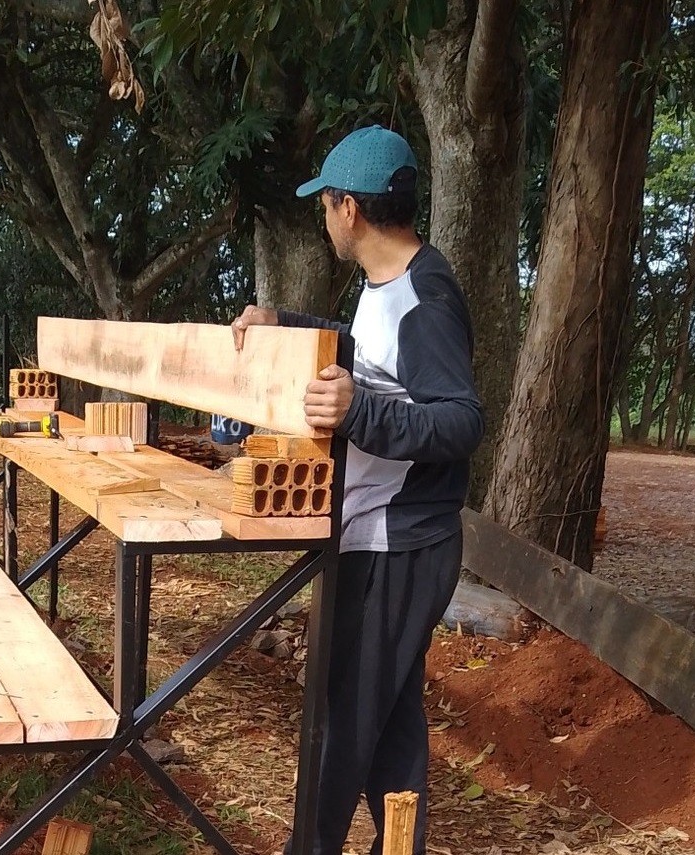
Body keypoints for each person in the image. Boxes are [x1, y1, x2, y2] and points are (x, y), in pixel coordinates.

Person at [231, 125, 483, 855]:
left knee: (339, 725)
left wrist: (358, 414)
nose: (324, 217)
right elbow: (369, 357)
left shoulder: (424, 300)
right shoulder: (389, 285)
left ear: (349, 209)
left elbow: (461, 420)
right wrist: (285, 324)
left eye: (325, 204)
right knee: (389, 723)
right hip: (378, 538)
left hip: (398, 547)